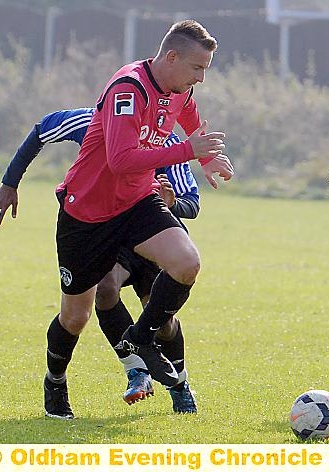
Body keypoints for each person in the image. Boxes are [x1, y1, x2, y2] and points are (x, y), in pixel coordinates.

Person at [36, 19, 231, 419]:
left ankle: (141, 337)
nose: (201, 78)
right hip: (87, 212)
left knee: (186, 262)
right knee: (76, 315)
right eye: (197, 68)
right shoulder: (129, 89)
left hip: (137, 201)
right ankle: (55, 383)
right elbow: (120, 160)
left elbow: (189, 114)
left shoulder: (178, 87)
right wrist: (189, 152)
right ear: (171, 57)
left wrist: (208, 159)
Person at [0, 107, 200, 413]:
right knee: (90, 302)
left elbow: (192, 201)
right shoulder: (92, 122)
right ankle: (110, 374)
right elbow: (41, 130)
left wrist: (173, 203)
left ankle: (179, 383)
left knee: (163, 321)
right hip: (97, 228)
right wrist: (10, 183)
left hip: (148, 230)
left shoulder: (165, 139)